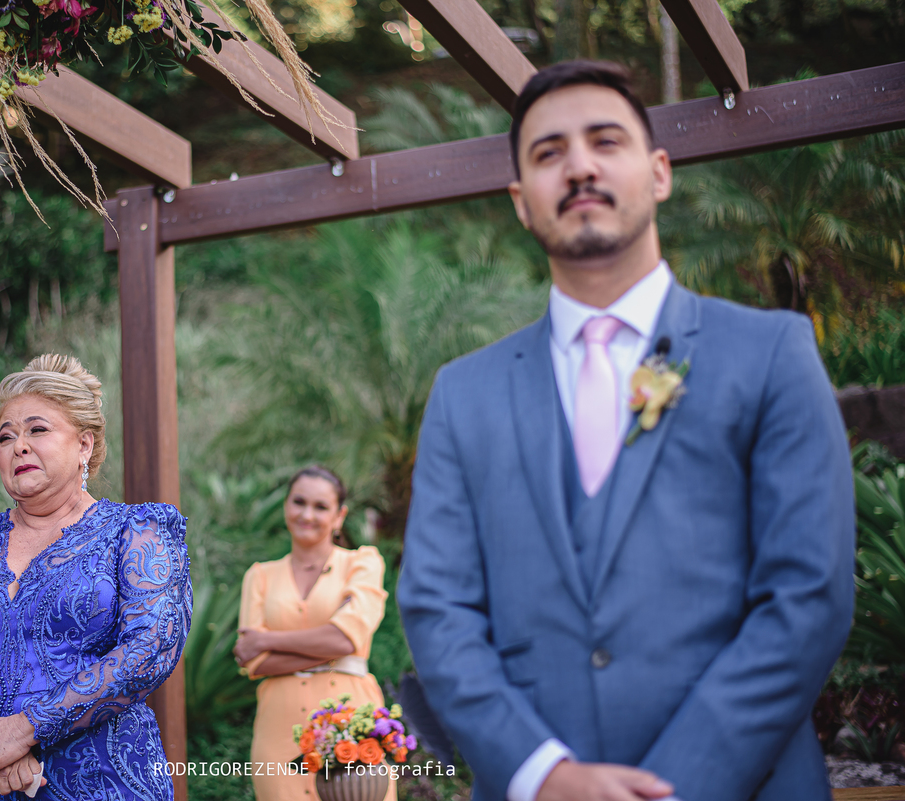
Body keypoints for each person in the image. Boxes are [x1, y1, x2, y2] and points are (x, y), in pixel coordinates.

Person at [397, 60, 855, 801]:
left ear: (659, 172)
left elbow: (808, 595)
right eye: (549, 153)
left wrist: (677, 787)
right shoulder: (462, 394)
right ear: (521, 201)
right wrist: (542, 775)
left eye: (605, 141)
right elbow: (437, 609)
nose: (579, 166)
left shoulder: (772, 353)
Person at [0, 354, 191, 800]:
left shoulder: (137, 532)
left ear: (84, 445)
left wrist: (25, 729)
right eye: (6, 437)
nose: (18, 446)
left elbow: (151, 648)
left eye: (37, 430)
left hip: (104, 782)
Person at [234, 466, 394, 801]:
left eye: (321, 507)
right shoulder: (260, 576)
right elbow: (254, 661)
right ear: (286, 506)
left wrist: (267, 639)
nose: (307, 515)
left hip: (352, 724)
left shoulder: (362, 564)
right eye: (299, 502)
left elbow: (344, 638)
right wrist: (333, 646)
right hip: (278, 733)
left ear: (339, 516)